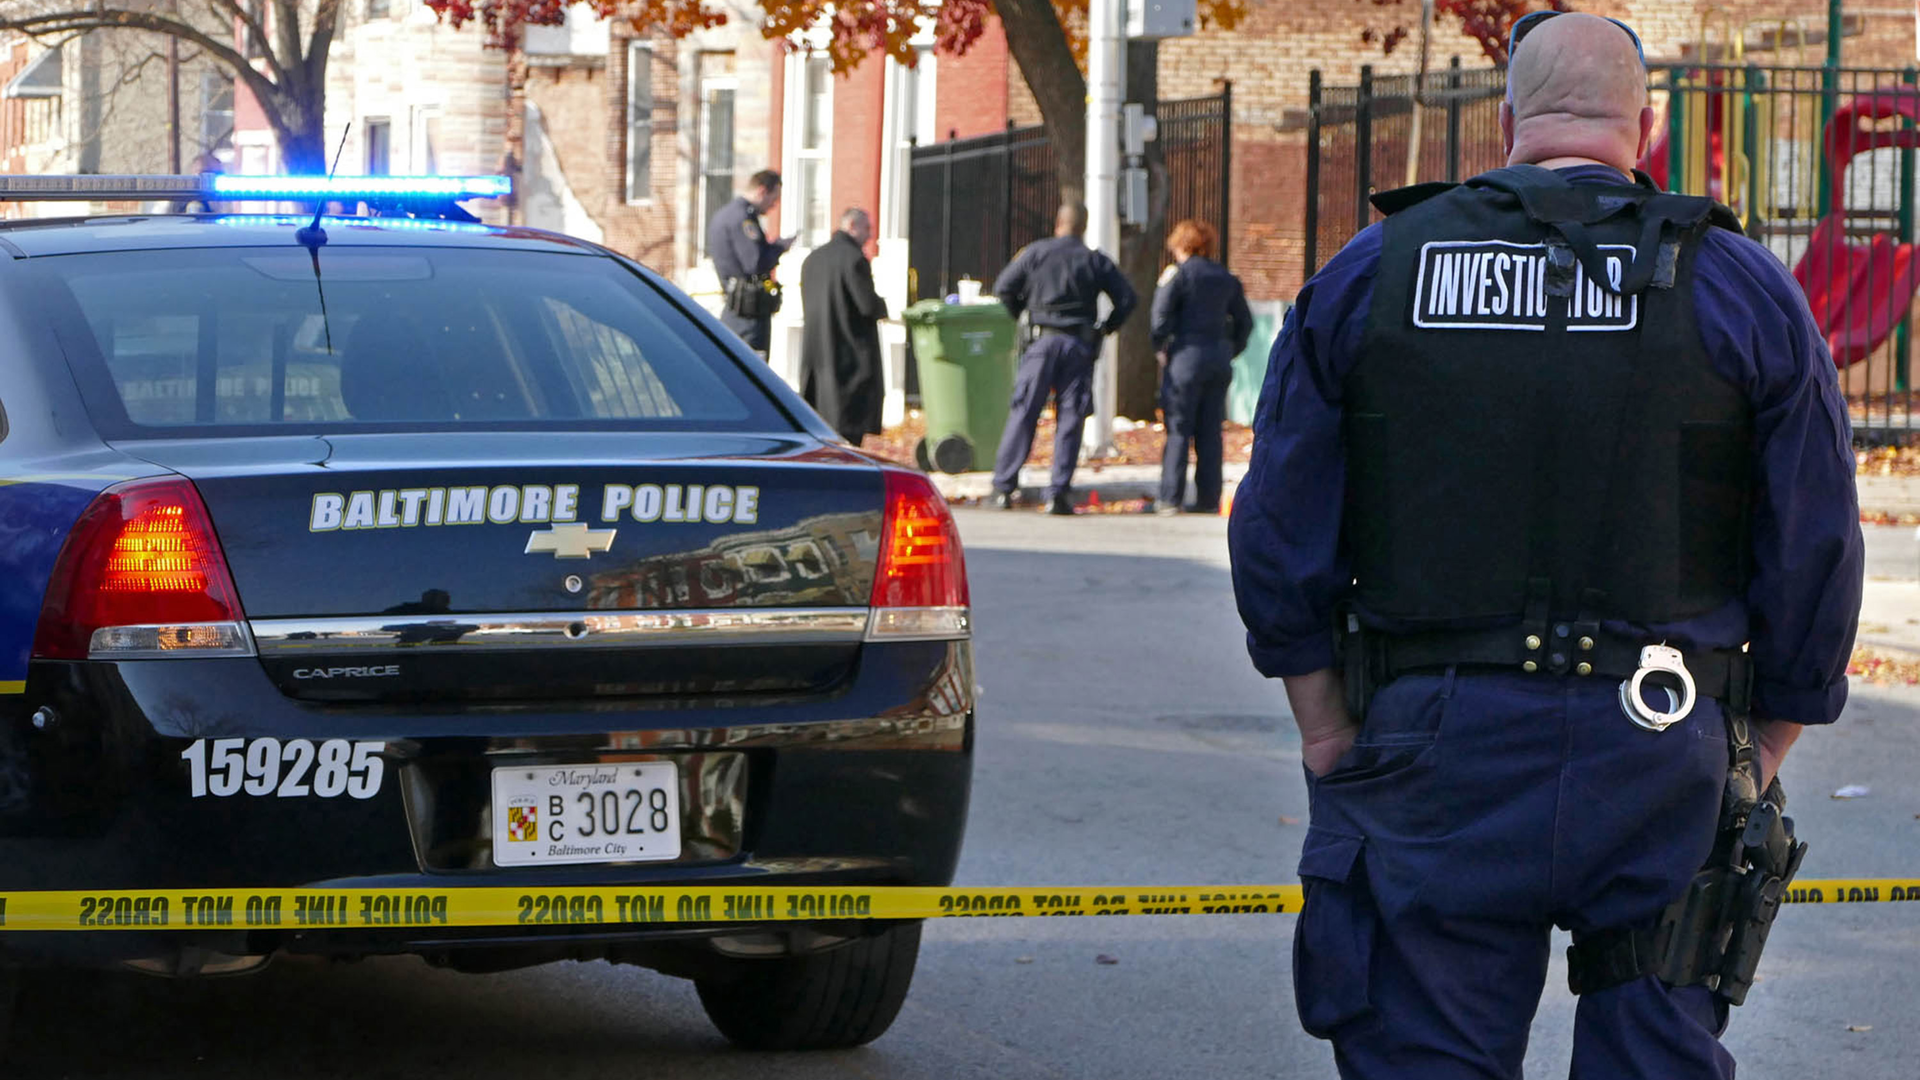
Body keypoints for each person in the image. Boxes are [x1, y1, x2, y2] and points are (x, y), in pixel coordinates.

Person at [1228, 13, 1863, 1079]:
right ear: (1643, 128)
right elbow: (1815, 541)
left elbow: (1276, 522)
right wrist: (1765, 743)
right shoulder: (1741, 286)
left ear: (1509, 119)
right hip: (1660, 743)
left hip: (1436, 742)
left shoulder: (1376, 271)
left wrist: (1326, 726)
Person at [989, 203, 1137, 515]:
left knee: (1024, 412)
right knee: (1070, 418)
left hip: (1042, 341)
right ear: (1083, 227)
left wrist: (1023, 314)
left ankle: (1003, 487)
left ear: (1058, 223)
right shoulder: (1094, 260)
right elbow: (1127, 298)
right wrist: (1105, 328)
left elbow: (1003, 288)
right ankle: (1058, 493)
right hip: (1078, 345)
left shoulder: (1036, 253)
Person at [1150, 219, 1252, 514]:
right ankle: (1208, 498)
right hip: (1218, 359)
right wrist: (1229, 349)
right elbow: (1245, 322)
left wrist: (1161, 348)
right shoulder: (1226, 277)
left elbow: (1160, 318)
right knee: (1210, 430)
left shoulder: (1178, 275)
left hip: (1185, 357)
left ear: (1182, 246)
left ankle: (1171, 497)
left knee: (1179, 428)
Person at [799, 208, 889, 446]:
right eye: (867, 228)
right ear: (851, 226)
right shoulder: (854, 259)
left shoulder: (812, 259)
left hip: (817, 357)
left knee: (822, 434)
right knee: (849, 434)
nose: (870, 235)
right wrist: (883, 306)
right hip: (849, 358)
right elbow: (866, 305)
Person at [707, 170, 794, 357]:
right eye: (774, 199)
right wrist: (780, 247)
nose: (773, 206)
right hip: (748, 314)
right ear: (762, 191)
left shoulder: (726, 214)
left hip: (736, 310)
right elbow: (755, 263)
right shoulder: (743, 218)